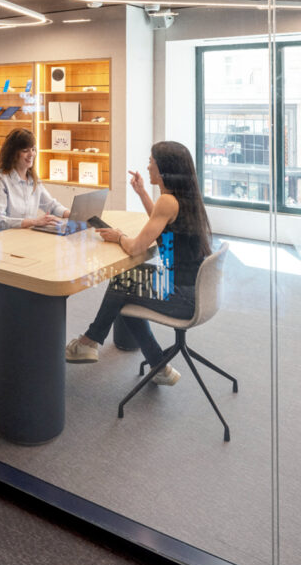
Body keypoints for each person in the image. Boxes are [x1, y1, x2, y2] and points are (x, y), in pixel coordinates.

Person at [65, 141, 212, 386]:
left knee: (123, 283)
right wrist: (142, 193)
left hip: (183, 297)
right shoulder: (182, 198)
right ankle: (158, 365)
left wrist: (118, 236)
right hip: (194, 289)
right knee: (127, 281)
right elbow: (163, 222)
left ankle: (89, 342)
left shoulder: (168, 201)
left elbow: (134, 248)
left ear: (164, 168)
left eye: (151, 162)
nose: (148, 166)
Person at [0, 128, 69, 230]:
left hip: (26, 236)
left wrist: (71, 214)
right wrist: (34, 222)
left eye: (33, 149)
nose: (31, 154)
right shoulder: (0, 180)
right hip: (5, 239)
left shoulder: (33, 179)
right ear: (12, 154)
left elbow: (51, 205)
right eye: (25, 151)